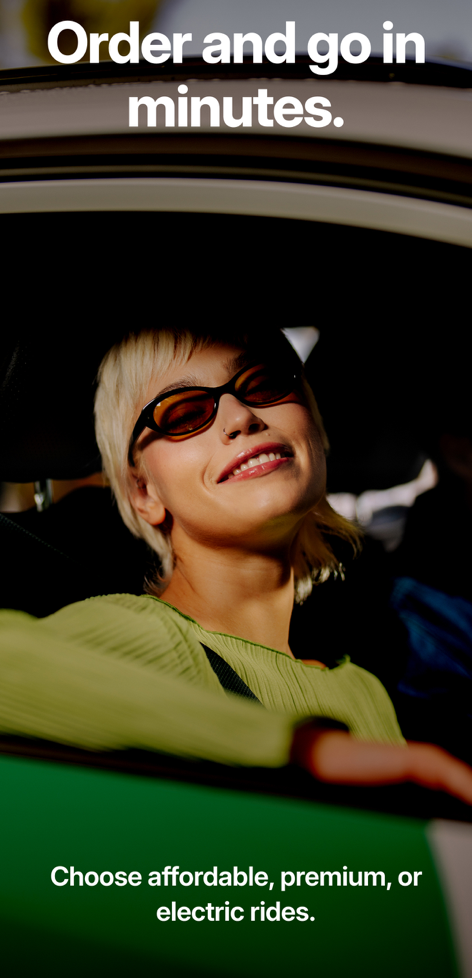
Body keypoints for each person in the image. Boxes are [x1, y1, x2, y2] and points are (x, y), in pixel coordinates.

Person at [1, 323, 471, 804]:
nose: (241, 415)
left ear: (315, 426)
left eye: (265, 385)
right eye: (181, 413)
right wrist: (302, 749)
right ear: (145, 492)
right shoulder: (149, 636)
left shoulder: (362, 686)